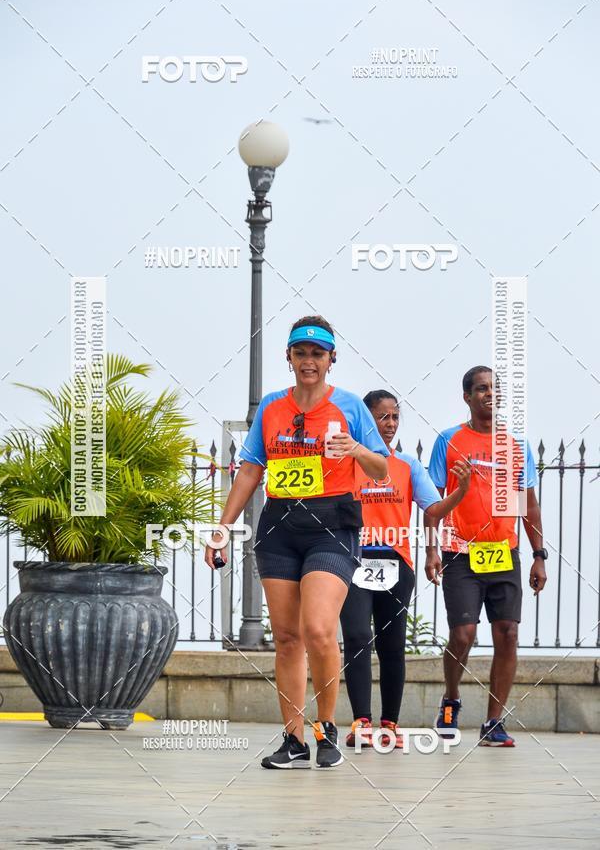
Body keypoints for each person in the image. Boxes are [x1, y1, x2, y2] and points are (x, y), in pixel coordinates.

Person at [205, 315, 389, 768]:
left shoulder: (349, 407)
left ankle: (325, 732)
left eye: (318, 354)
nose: (310, 361)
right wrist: (222, 526)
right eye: (301, 352)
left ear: (331, 360)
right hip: (279, 525)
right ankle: (293, 740)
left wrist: (356, 450)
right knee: (287, 638)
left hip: (332, 524)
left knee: (319, 629)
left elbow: (381, 469)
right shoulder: (271, 407)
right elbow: (250, 469)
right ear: (288, 358)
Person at [340, 390, 471, 749]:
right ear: (365, 420)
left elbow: (433, 510)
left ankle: (390, 725)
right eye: (383, 417)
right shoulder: (346, 462)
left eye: (395, 417)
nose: (391, 424)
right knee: (355, 638)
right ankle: (361, 722)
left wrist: (460, 492)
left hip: (396, 563)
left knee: (392, 644)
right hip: (353, 560)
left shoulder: (408, 466)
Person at [425, 365, 547, 747]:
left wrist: (538, 554)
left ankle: (494, 722)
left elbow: (528, 505)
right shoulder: (449, 441)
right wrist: (431, 549)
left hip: (504, 552)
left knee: (508, 634)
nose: (489, 394)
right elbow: (431, 502)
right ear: (467, 397)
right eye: (481, 389)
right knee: (463, 634)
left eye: (496, 389)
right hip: (460, 551)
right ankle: (451, 698)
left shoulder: (516, 446)